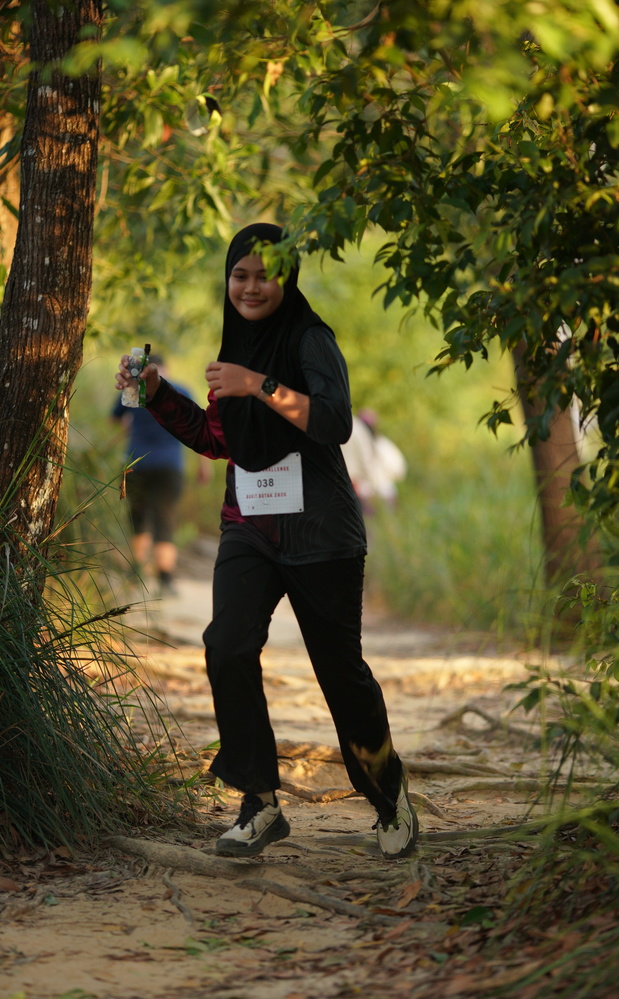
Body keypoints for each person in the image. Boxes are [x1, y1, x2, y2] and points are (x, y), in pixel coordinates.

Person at [114, 223, 418, 860]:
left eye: (265, 275)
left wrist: (258, 384)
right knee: (226, 646)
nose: (251, 287)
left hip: (321, 533)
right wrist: (157, 395)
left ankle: (389, 795)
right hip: (249, 527)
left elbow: (333, 421)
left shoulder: (310, 339)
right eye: (240, 275)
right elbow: (217, 441)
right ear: (228, 280)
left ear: (287, 278)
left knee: (341, 674)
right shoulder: (235, 345)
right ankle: (259, 802)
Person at [111, 355, 207, 595]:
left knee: (139, 519)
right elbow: (200, 429)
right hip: (169, 464)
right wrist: (203, 466)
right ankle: (165, 581)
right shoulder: (181, 390)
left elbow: (115, 419)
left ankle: (137, 577)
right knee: (165, 520)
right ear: (167, 368)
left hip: (135, 462)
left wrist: (129, 424)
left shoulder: (133, 390)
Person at [342, 409, 407, 515]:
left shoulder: (376, 442)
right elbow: (398, 470)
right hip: (375, 490)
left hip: (369, 490)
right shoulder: (378, 442)